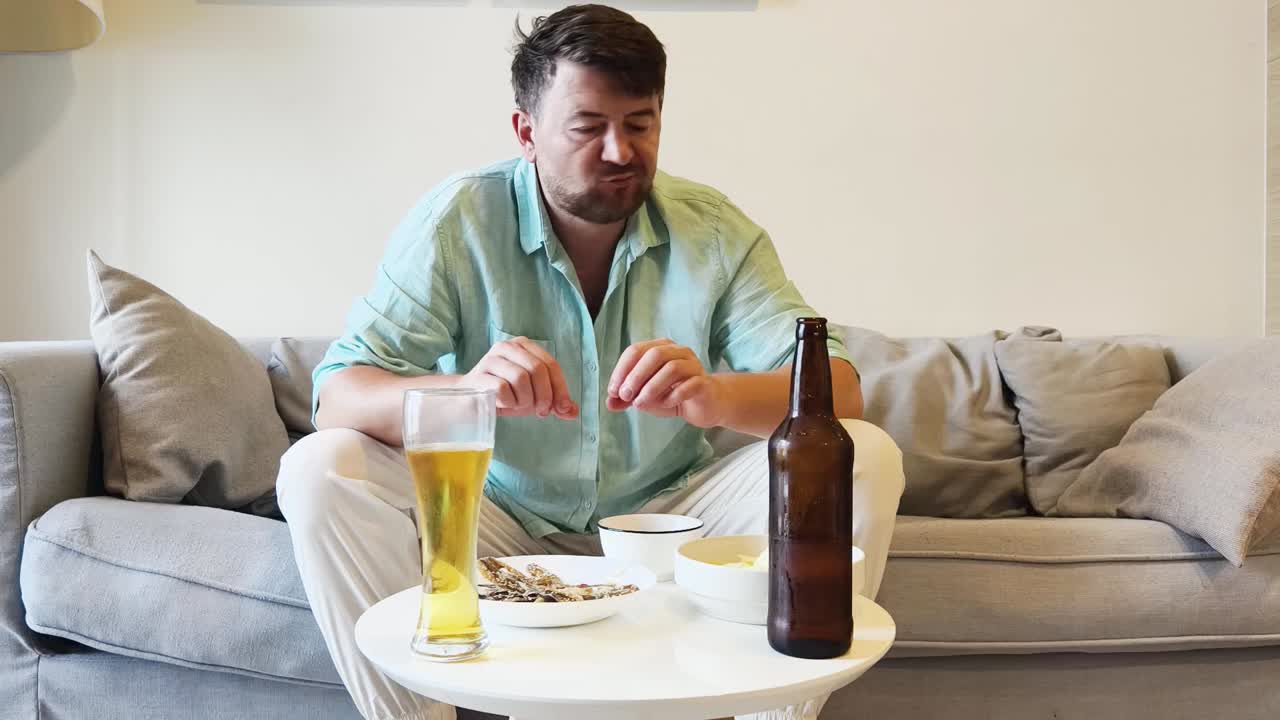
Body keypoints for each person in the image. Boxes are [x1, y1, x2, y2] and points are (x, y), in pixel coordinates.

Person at [276, 5, 905, 720]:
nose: (618, 150)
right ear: (526, 131)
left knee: (867, 455)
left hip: (672, 519)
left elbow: (841, 393)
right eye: (588, 126)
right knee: (319, 468)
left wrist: (715, 396)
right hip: (498, 514)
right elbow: (339, 399)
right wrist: (466, 389)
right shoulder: (456, 221)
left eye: (639, 124)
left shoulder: (716, 229)